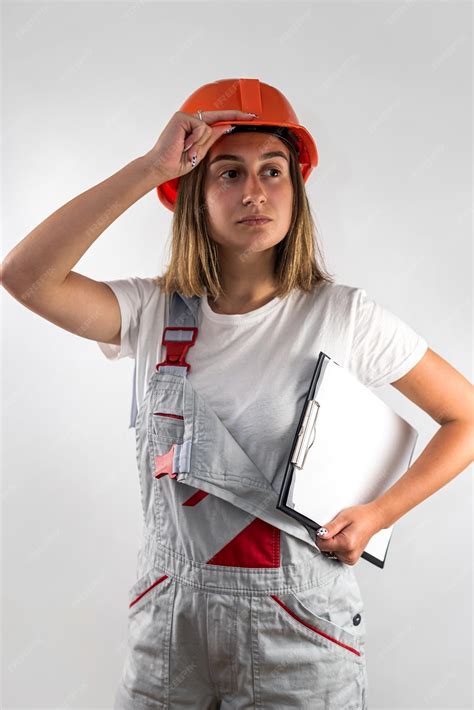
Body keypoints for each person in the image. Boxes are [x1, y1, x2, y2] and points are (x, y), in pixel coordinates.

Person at [2, 78, 473, 710]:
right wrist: (152, 167)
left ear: (297, 189)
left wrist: (382, 513)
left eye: (273, 171)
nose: (254, 191)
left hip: (300, 637)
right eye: (227, 173)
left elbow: (464, 417)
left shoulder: (345, 317)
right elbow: (25, 277)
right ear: (193, 194)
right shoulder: (149, 313)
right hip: (168, 638)